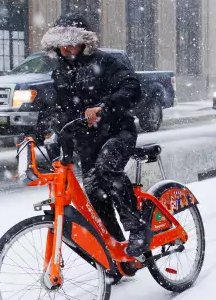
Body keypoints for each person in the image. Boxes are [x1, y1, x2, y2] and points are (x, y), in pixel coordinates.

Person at [43, 14, 150, 257]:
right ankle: (115, 253)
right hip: (87, 141)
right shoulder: (59, 73)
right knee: (94, 195)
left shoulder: (106, 62)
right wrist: (53, 135)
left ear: (85, 42)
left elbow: (132, 87)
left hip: (117, 131)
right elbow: (60, 110)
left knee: (107, 170)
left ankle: (137, 228)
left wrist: (105, 106)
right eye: (63, 42)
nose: (68, 47)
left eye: (74, 42)